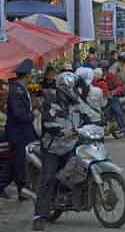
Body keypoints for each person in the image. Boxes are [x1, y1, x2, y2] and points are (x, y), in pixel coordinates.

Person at [32, 72, 90, 231]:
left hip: (70, 146)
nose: (76, 90)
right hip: (53, 148)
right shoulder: (51, 103)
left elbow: (89, 115)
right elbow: (48, 122)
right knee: (48, 178)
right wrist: (60, 130)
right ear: (64, 88)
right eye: (73, 88)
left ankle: (67, 193)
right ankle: (39, 216)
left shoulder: (76, 102)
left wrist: (98, 122)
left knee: (82, 166)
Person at [5, 59, 38, 202]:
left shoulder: (22, 89)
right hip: (18, 132)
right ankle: (21, 190)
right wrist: (32, 115)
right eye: (31, 74)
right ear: (27, 75)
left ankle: (26, 187)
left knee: (25, 160)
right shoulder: (16, 90)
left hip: (25, 131)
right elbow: (19, 114)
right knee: (19, 161)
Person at [104, 63, 125, 137]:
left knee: (117, 110)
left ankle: (123, 128)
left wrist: (114, 92)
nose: (103, 71)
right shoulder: (98, 76)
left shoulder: (112, 76)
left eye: (105, 69)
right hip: (102, 97)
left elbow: (119, 86)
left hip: (112, 97)